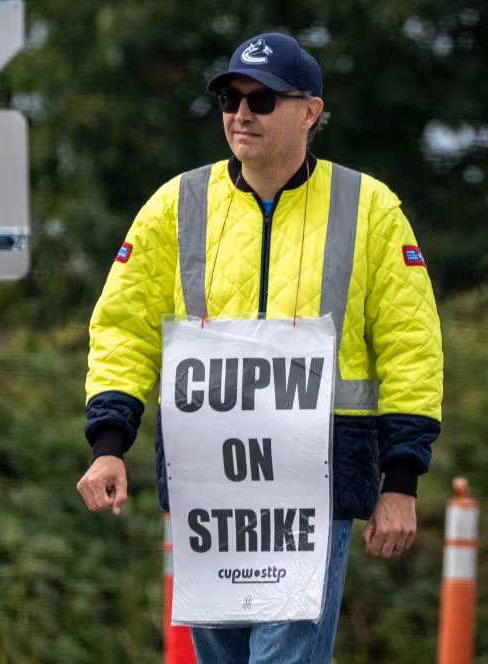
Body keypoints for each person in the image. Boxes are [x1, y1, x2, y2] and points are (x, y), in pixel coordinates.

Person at [76, 31, 444, 663]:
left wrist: (402, 478)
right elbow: (122, 328)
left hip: (315, 481)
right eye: (230, 98)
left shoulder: (368, 208)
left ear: (310, 112)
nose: (242, 113)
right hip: (208, 484)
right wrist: (110, 444)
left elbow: (410, 344)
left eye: (263, 100)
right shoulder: (176, 205)